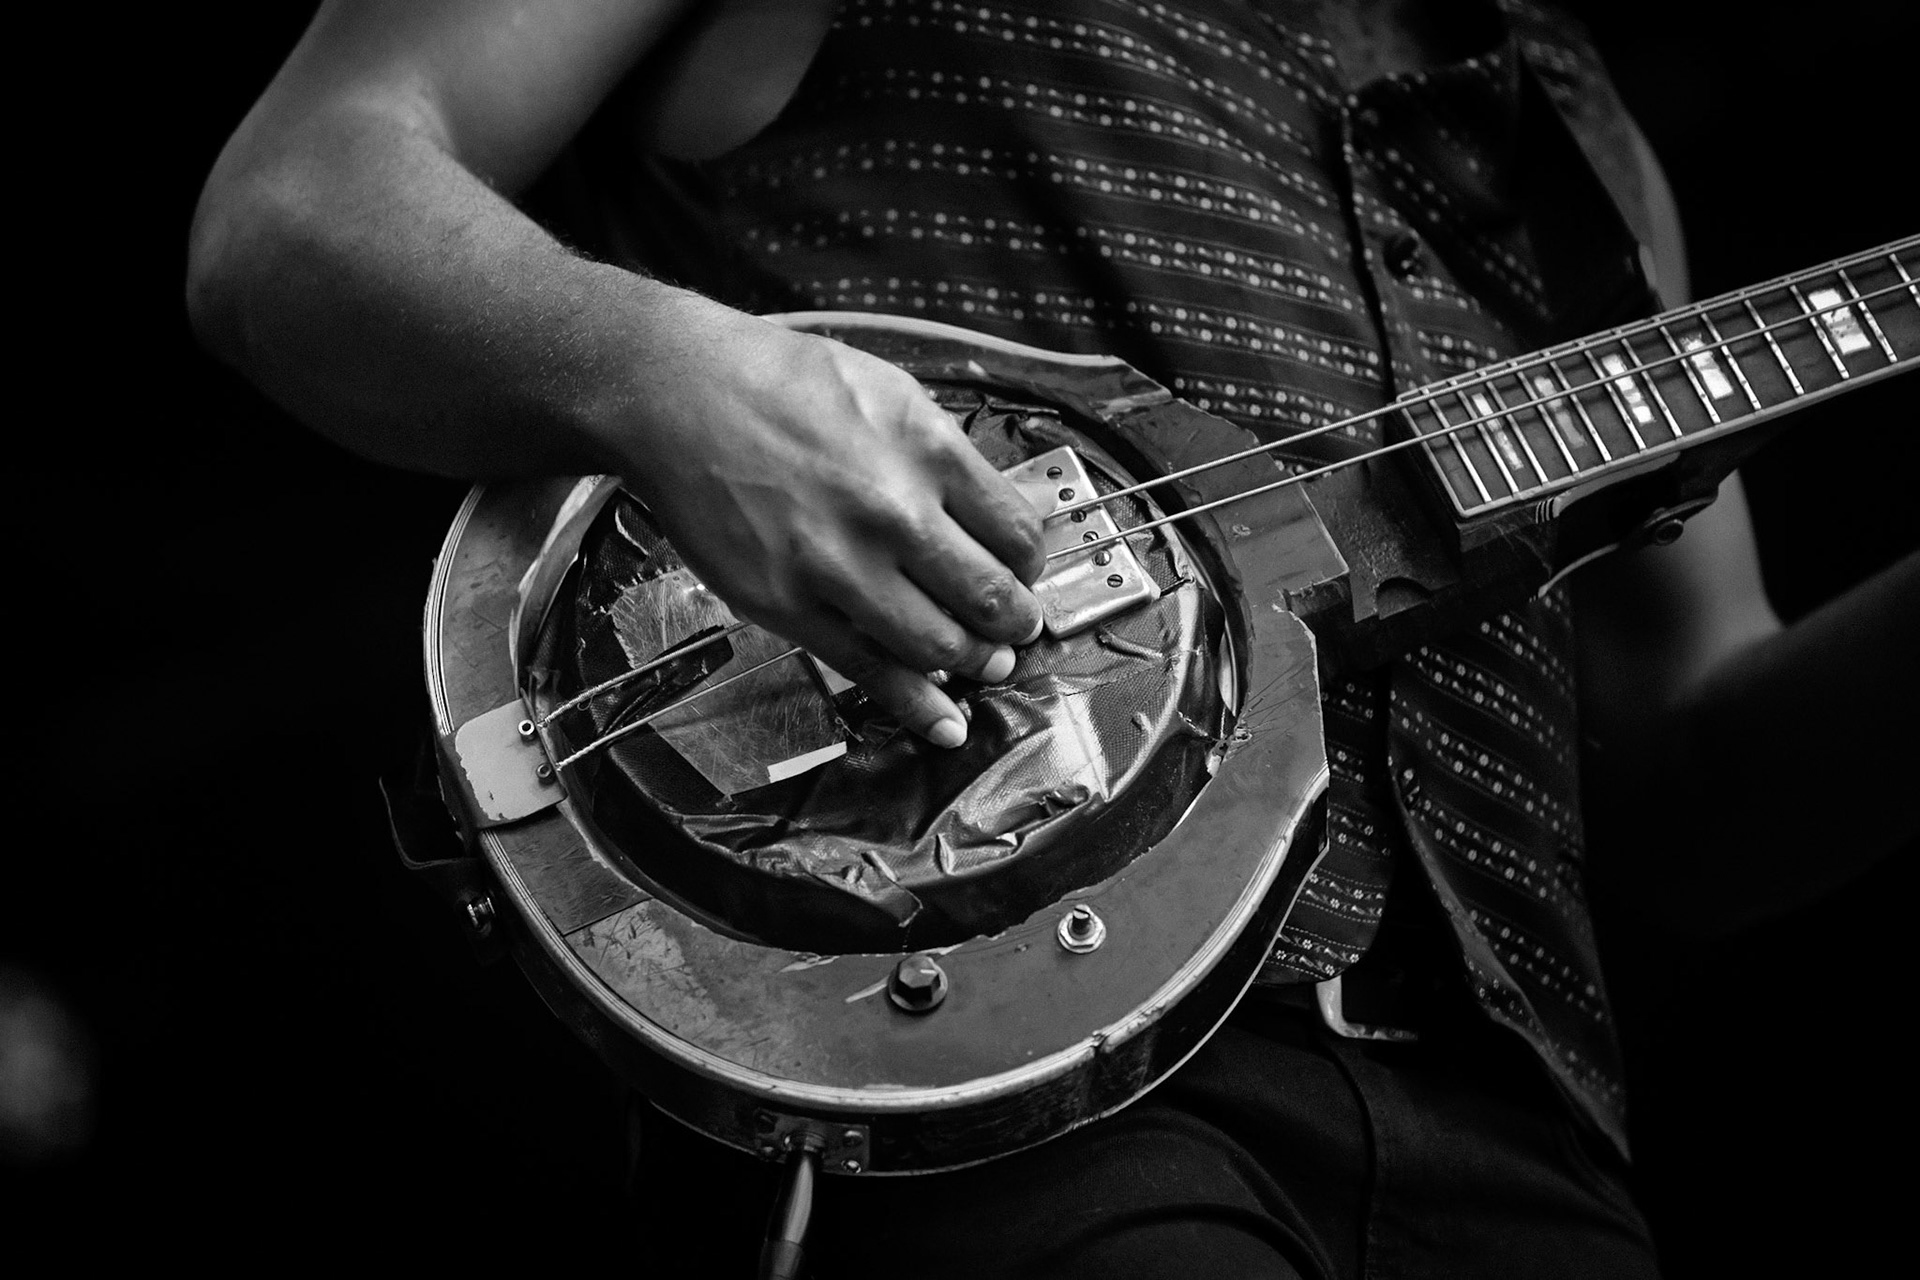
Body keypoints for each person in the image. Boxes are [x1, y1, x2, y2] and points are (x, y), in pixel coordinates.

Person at [186, 1, 1917, 1275]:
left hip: (1529, 1136)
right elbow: (301, 206)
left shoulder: (1578, 127)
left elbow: (1695, 789)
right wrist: (679, 378)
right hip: (982, 1079)